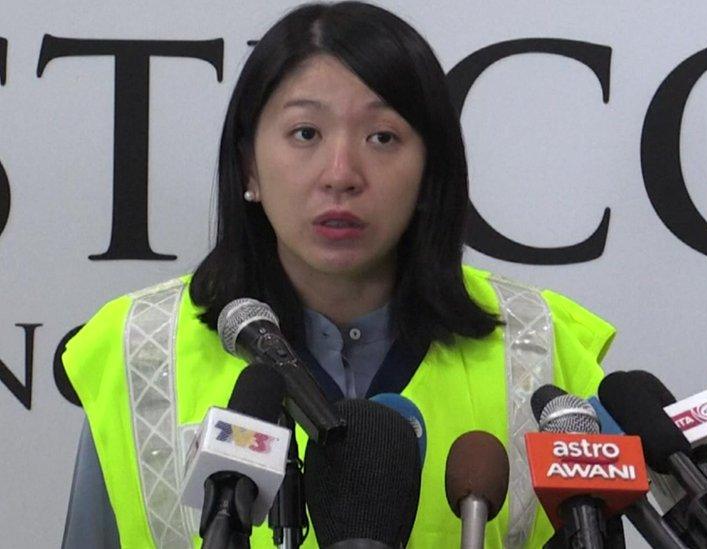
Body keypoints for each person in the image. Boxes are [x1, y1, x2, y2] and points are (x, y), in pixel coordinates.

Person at [60, 3, 614, 548]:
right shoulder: (140, 351)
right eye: (305, 133)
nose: (341, 175)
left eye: (382, 137)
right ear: (249, 165)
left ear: (430, 171)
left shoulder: (540, 349)